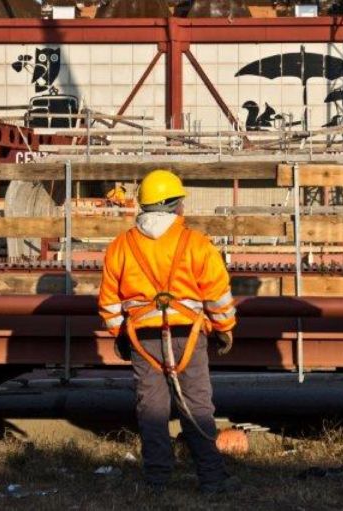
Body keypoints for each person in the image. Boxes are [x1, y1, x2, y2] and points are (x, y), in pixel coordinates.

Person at [98, 169, 239, 494]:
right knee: (198, 406)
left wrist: (120, 334)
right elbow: (218, 294)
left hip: (142, 340)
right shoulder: (196, 243)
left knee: (152, 408)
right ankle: (212, 479)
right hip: (188, 336)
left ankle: (158, 480)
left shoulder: (121, 246)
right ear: (175, 205)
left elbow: (109, 302)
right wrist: (224, 328)